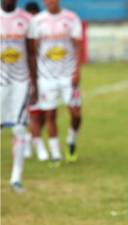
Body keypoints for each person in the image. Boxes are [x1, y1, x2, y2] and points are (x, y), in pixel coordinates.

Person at [28, 0, 83, 164]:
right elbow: (31, 49)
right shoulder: (37, 21)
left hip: (68, 75)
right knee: (50, 114)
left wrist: (77, 71)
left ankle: (71, 139)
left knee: (76, 113)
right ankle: (55, 154)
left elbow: (78, 46)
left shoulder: (71, 18)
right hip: (46, 77)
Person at [1, 0, 37, 193]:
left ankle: (16, 178)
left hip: (20, 83)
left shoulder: (26, 19)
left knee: (20, 129)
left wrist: (35, 84)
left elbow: (31, 54)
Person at [23, 1, 49, 161]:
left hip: (46, 76)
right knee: (33, 112)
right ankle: (39, 145)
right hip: (28, 77)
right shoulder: (23, 33)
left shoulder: (41, 30)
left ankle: (28, 138)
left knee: (46, 113)